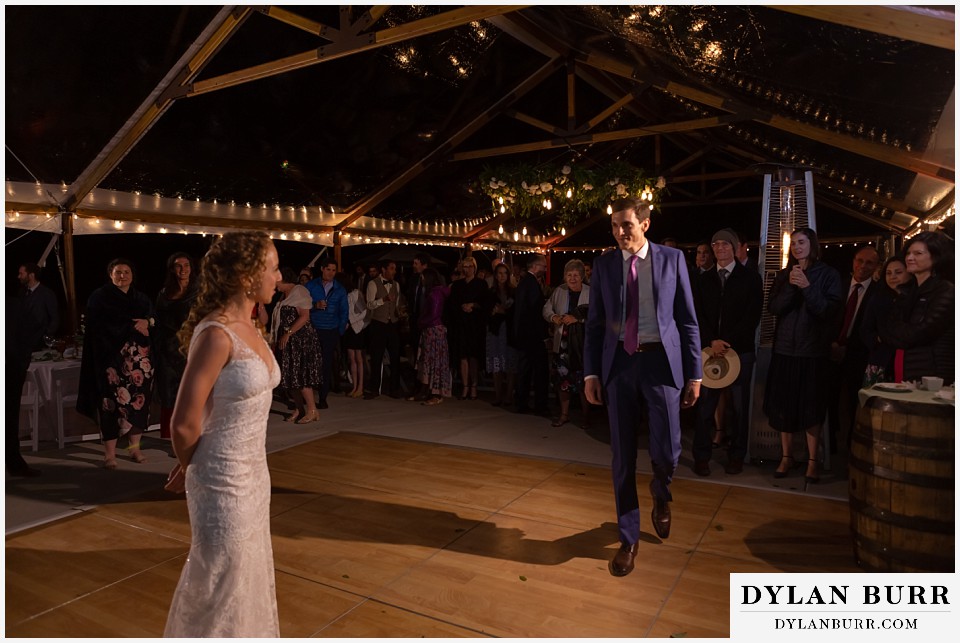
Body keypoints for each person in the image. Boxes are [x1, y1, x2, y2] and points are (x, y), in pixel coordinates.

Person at [163, 231, 281, 637]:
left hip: (255, 477)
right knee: (220, 581)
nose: (278, 277)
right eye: (272, 268)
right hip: (219, 481)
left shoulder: (253, 327)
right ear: (247, 276)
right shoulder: (216, 334)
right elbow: (183, 421)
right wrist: (190, 466)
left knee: (248, 574)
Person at [584, 196, 702, 577]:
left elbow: (687, 320)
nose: (620, 233)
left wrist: (695, 373)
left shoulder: (672, 260)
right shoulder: (602, 265)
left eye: (627, 225)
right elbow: (595, 325)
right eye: (615, 226)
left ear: (645, 225)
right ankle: (628, 537)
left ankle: (661, 493)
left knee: (667, 452)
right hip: (619, 364)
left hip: (661, 364)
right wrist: (590, 374)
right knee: (622, 456)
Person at [763, 228, 842, 484]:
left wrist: (807, 287)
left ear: (813, 245)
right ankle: (786, 457)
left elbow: (829, 311)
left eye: (802, 242)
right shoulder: (785, 274)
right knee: (784, 406)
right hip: (785, 349)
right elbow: (774, 307)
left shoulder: (828, 274)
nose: (797, 247)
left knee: (811, 408)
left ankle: (812, 461)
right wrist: (791, 286)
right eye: (794, 243)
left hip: (812, 352)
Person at [690, 229, 763, 476]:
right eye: (715, 244)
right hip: (709, 352)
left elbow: (752, 316)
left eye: (725, 244)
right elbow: (696, 315)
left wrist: (727, 341)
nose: (720, 248)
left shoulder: (750, 278)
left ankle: (736, 455)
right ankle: (701, 456)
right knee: (705, 407)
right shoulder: (702, 280)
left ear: (734, 247)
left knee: (739, 409)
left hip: (739, 352)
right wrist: (711, 340)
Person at [76, 258, 155, 468]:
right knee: (110, 407)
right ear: (110, 274)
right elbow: (98, 326)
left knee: (139, 405)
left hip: (140, 364)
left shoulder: (141, 298)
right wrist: (130, 326)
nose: (122, 276)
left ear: (132, 274)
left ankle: (134, 449)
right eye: (118, 272)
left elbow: (154, 318)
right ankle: (109, 454)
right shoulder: (99, 297)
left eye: (126, 272)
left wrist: (149, 322)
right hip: (110, 362)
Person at [878, 231, 954, 384]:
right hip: (909, 374)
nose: (909, 258)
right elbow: (886, 329)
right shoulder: (908, 292)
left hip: (936, 377)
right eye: (908, 253)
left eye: (918, 253)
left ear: (936, 256)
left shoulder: (946, 290)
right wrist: (901, 334)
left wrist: (899, 334)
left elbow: (922, 332)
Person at [826, 245, 879, 450]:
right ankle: (829, 443)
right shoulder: (837, 286)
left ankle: (851, 446)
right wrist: (831, 343)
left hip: (858, 356)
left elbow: (872, 327)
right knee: (829, 399)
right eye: (859, 260)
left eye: (869, 263)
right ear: (853, 261)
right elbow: (826, 317)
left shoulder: (877, 292)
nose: (863, 266)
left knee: (852, 404)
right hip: (830, 352)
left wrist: (848, 348)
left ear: (876, 266)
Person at [154, 252, 199, 440]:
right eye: (178, 266)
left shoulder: (200, 291)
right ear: (172, 269)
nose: (183, 270)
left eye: (186, 265)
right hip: (168, 350)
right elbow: (158, 321)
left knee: (193, 393)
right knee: (170, 393)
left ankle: (192, 435)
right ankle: (172, 437)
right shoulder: (165, 293)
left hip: (193, 348)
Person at [543, 259, 592, 429]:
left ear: (582, 276)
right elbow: (546, 309)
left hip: (582, 345)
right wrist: (554, 317)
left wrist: (578, 319)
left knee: (583, 382)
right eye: (569, 275)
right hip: (562, 344)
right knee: (562, 381)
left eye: (576, 275)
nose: (572, 278)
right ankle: (564, 415)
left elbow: (599, 316)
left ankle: (587, 417)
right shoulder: (560, 291)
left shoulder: (590, 292)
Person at [271, 267, 323, 424]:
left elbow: (304, 316)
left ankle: (312, 410)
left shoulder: (299, 291)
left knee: (300, 376)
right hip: (288, 341)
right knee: (291, 377)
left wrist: (288, 333)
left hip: (300, 340)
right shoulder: (283, 295)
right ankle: (299, 409)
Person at [859, 256, 910, 387]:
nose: (893, 276)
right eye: (888, 273)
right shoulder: (878, 298)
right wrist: (878, 339)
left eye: (898, 272)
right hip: (880, 360)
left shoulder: (915, 298)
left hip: (910, 361)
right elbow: (865, 329)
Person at [6, 295, 42, 477]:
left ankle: (14, 463)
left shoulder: (14, 302)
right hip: (12, 364)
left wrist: (22, 359)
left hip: (10, 366)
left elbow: (33, 328)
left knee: (9, 417)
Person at [306, 257, 348, 408]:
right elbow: (302, 305)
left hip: (331, 330)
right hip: (313, 328)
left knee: (326, 364)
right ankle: (308, 394)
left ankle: (323, 397)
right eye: (328, 269)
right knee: (310, 362)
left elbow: (344, 312)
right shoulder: (311, 285)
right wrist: (314, 305)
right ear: (322, 269)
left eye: (333, 270)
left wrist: (339, 330)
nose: (331, 273)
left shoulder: (340, 289)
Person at [512, 254, 550, 415]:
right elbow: (535, 312)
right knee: (540, 371)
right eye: (543, 266)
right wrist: (544, 336)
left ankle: (522, 402)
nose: (545, 269)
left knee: (524, 370)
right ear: (535, 266)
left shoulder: (524, 282)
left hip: (523, 335)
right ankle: (540, 405)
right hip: (533, 336)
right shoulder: (532, 284)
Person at [448, 256, 488, 400]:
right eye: (465, 266)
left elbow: (485, 303)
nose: (467, 269)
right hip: (461, 323)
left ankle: (474, 386)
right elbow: (452, 304)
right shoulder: (457, 285)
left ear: (474, 267)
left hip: (475, 324)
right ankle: (465, 386)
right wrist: (462, 307)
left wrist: (474, 305)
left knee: (473, 356)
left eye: (470, 266)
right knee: (463, 356)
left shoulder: (481, 284)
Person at [410, 267, 452, 405]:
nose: (421, 280)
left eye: (423, 277)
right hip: (430, 331)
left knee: (435, 362)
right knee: (428, 362)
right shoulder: (434, 292)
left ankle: (436, 393)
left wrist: (420, 322)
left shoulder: (436, 294)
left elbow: (434, 314)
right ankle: (426, 390)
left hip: (434, 331)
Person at [364, 259, 403, 399]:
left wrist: (399, 313)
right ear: (384, 269)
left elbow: (397, 304)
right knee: (376, 356)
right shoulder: (373, 284)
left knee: (395, 356)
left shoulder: (396, 285)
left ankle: (394, 389)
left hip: (392, 323)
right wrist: (383, 300)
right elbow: (369, 305)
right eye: (392, 268)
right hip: (378, 324)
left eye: (395, 268)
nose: (394, 271)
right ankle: (374, 388)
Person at [485, 262, 518, 407]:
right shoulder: (491, 293)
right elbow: (487, 311)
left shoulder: (514, 292)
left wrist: (504, 311)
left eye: (505, 273)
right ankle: (498, 395)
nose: (502, 276)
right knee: (496, 363)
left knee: (510, 364)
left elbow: (516, 312)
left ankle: (509, 395)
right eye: (499, 273)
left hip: (510, 332)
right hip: (495, 331)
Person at [17, 262, 59, 348]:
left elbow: (55, 318)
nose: (19, 276)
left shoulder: (46, 293)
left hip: (41, 344)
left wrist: (46, 336)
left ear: (31, 275)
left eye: (21, 274)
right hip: (25, 343)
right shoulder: (22, 293)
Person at [342, 272, 369, 398]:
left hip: (357, 328)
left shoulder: (356, 293)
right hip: (348, 329)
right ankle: (354, 386)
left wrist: (351, 321)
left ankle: (361, 387)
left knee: (359, 358)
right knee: (351, 358)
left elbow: (364, 311)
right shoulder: (344, 295)